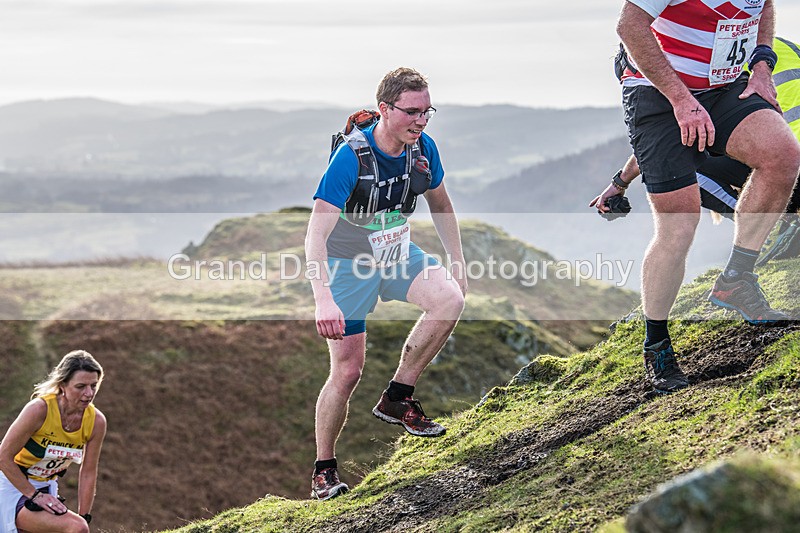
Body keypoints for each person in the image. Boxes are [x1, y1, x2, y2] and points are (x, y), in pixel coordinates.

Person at [592, 1, 800, 394]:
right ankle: (656, 343)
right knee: (679, 225)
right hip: (656, 94)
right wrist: (682, 100)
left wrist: (761, 65)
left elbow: (765, 6)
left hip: (723, 88)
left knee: (783, 156)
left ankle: (736, 279)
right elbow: (629, 27)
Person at [305, 67, 467, 500]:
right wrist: (323, 299)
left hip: (394, 251)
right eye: (412, 112)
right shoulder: (351, 158)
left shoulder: (423, 147)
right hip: (345, 263)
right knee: (347, 371)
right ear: (384, 110)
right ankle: (324, 468)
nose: (421, 120)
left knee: (449, 299)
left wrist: (458, 261)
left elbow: (441, 204)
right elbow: (315, 234)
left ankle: (398, 395)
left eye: (427, 111)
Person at [0, 350, 106, 532]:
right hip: (11, 486)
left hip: (47, 488)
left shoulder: (96, 421)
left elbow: (88, 471)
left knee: (79, 526)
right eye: (80, 386)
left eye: (94, 386)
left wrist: (84, 515)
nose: (89, 393)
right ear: (62, 385)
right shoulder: (39, 410)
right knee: (76, 528)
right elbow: (3, 458)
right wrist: (34, 495)